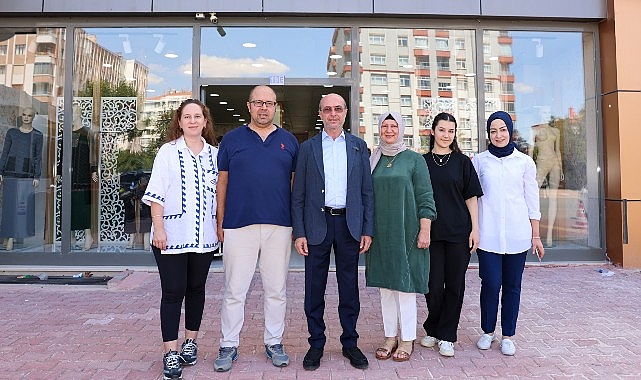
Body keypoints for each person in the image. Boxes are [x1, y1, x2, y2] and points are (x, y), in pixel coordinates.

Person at [214, 85, 299, 372]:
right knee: (234, 290)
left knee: (276, 289)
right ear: (248, 106)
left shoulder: (289, 141)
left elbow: (293, 186)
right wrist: (220, 221)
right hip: (239, 225)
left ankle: (274, 341)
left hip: (279, 226)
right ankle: (228, 345)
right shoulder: (231, 140)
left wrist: (296, 227)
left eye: (269, 103)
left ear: (276, 107)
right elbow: (222, 183)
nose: (264, 108)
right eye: (258, 103)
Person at [291, 93, 374, 371]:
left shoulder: (359, 147)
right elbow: (298, 194)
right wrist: (299, 231)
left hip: (349, 226)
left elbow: (367, 193)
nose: (333, 114)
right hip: (317, 225)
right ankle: (316, 344)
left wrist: (367, 229)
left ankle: (350, 342)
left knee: (348, 288)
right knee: (314, 288)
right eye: (327, 109)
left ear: (346, 112)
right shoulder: (308, 148)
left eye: (338, 109)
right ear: (320, 113)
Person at [141, 99, 219, 380]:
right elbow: (156, 193)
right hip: (171, 236)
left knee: (197, 289)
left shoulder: (215, 155)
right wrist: (158, 228)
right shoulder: (168, 152)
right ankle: (170, 352)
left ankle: (190, 343)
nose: (193, 121)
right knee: (173, 292)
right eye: (187, 116)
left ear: (205, 121)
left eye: (198, 116)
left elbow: (220, 197)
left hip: (203, 236)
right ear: (179, 121)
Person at [472, 110, 545, 356]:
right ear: (488, 134)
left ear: (511, 131)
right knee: (491, 283)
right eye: (493, 131)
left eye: (503, 130)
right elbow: (472, 198)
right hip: (488, 235)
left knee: (513, 286)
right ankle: (487, 331)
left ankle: (508, 335)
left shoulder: (524, 162)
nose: (498, 135)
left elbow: (532, 201)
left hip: (517, 235)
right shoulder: (479, 161)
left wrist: (535, 236)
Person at [367, 112, 436, 362]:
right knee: (386, 287)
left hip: (407, 233)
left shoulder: (414, 159)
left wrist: (425, 229)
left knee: (405, 287)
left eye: (393, 125)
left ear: (402, 129)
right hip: (381, 234)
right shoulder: (373, 159)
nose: (388, 130)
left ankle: (407, 339)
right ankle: (389, 336)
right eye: (384, 125)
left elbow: (426, 197)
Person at [420, 112, 482, 357]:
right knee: (433, 286)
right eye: (442, 130)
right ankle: (432, 328)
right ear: (433, 131)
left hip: (458, 233)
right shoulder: (421, 162)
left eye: (451, 131)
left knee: (454, 286)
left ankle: (447, 336)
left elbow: (471, 198)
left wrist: (475, 229)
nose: (446, 135)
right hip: (431, 234)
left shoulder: (463, 162)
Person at [56, 104, 98, 251]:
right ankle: (71, 237)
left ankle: (88, 236)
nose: (69, 115)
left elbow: (93, 153)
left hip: (82, 175)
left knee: (83, 206)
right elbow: (62, 155)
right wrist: (60, 172)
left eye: (71, 112)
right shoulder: (65, 133)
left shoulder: (88, 133)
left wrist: (93, 169)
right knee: (69, 205)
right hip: (69, 177)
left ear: (78, 114)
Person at [0, 107, 43, 251]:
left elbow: (38, 157)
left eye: (29, 115)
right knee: (9, 207)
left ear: (33, 117)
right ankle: (8, 236)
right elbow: (5, 152)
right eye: (24, 115)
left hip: (26, 175)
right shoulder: (12, 132)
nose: (26, 117)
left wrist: (37, 176)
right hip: (10, 173)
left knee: (20, 207)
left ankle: (10, 237)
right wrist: (0, 171)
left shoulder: (37, 135)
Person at [530, 122, 563, 248]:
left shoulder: (556, 131)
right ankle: (534, 235)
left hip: (554, 162)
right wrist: (529, 169)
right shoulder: (535, 130)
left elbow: (557, 150)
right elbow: (531, 150)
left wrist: (561, 168)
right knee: (533, 196)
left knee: (553, 198)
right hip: (541, 162)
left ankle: (549, 236)